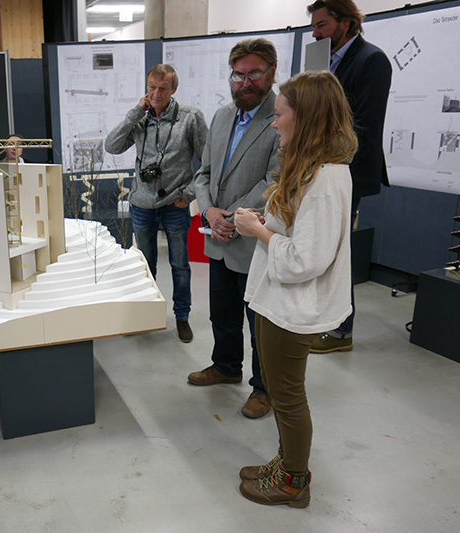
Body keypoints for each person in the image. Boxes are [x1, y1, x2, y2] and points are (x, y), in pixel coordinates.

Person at [233, 70, 357, 508]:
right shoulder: (309, 170)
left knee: (286, 396)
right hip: (278, 302)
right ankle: (286, 462)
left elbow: (307, 260)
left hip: (294, 307)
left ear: (304, 119)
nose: (273, 122)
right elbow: (298, 235)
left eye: (280, 114)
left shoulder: (324, 181)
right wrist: (264, 223)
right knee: (284, 392)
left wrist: (258, 231)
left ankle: (293, 482)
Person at [184, 38, 280, 419]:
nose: (246, 81)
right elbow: (203, 173)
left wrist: (235, 217)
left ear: (271, 72)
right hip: (218, 235)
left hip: (253, 238)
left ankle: (264, 388)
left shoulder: (280, 116)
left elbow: (275, 179)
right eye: (239, 74)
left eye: (255, 73)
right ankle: (226, 366)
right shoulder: (223, 116)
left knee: (259, 322)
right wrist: (208, 212)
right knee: (221, 312)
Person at [306, 0, 392, 354]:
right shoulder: (322, 60)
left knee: (336, 250)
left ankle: (342, 331)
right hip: (316, 168)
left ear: (346, 22)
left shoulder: (372, 60)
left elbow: (365, 128)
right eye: (315, 25)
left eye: (323, 25)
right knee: (318, 248)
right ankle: (322, 320)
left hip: (345, 172)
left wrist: (324, 155)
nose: (315, 33)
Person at [105, 64, 208, 343]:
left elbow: (208, 162)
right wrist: (135, 112)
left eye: (163, 88)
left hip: (174, 204)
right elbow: (111, 146)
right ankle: (145, 317)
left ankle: (182, 317)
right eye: (151, 86)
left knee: (180, 265)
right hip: (141, 205)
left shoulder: (190, 117)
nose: (156, 93)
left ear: (174, 89)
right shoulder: (140, 118)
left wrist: (186, 195)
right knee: (145, 265)